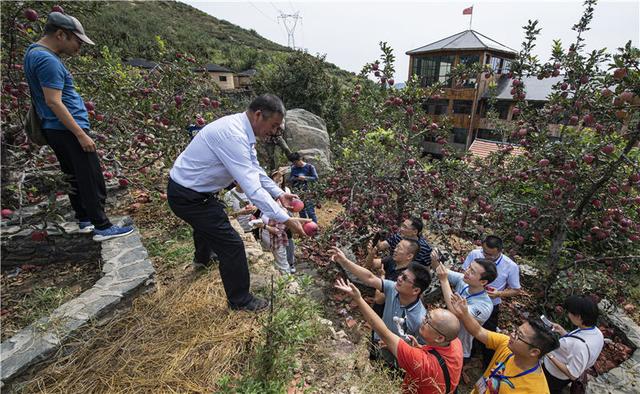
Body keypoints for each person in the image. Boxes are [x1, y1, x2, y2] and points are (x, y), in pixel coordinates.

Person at [167, 94, 306, 312]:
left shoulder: (242, 132)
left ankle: (202, 259)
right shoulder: (233, 135)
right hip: (187, 195)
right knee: (232, 245)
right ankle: (240, 300)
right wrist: (285, 218)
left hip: (194, 192)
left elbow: (255, 170)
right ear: (259, 115)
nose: (275, 131)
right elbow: (252, 187)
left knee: (208, 223)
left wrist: (279, 193)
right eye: (274, 125)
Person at [23, 12, 133, 241]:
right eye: (77, 41)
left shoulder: (34, 53)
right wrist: (80, 134)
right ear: (61, 34)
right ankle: (102, 226)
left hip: (56, 129)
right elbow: (54, 101)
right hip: (66, 129)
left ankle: (85, 220)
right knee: (90, 177)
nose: (79, 48)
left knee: (73, 175)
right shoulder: (47, 60)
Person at [334, 278, 463, 394]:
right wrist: (420, 348)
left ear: (440, 338)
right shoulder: (455, 342)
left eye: (428, 321)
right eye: (428, 314)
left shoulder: (422, 363)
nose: (423, 319)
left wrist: (358, 299)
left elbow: (383, 332)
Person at [329, 247, 430, 366]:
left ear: (416, 290)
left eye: (405, 278)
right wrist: (345, 261)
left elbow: (422, 350)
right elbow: (370, 277)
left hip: (395, 359)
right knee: (371, 362)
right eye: (401, 275)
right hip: (377, 339)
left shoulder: (419, 319)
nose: (399, 278)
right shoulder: (393, 288)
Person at [449, 293, 559, 394]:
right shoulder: (507, 345)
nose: (511, 335)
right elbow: (478, 331)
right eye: (516, 331)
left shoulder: (536, 390)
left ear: (534, 352)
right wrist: (464, 314)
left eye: (519, 336)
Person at [463, 235, 523, 367]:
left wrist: (499, 294)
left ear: (500, 251)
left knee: (488, 336)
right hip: (469, 300)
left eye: (490, 255)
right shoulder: (475, 254)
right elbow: (463, 273)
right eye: (484, 252)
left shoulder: (510, 266)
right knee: (466, 329)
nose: (486, 257)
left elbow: (516, 290)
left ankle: (487, 364)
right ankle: (468, 357)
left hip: (491, 305)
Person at [432, 252, 496, 359]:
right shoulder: (464, 281)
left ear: (483, 281)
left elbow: (455, 311)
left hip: (458, 348)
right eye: (469, 268)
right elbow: (440, 270)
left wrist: (444, 280)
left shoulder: (484, 305)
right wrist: (435, 260)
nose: (467, 272)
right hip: (440, 337)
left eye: (472, 272)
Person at [542, 295, 604, 394]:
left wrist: (549, 355)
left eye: (570, 312)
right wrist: (561, 331)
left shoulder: (579, 346)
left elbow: (573, 374)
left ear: (579, 317)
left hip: (554, 375)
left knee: (545, 389)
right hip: (562, 376)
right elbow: (574, 344)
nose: (568, 315)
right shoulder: (596, 333)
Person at [288, 152, 318, 223]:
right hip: (298, 193)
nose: (295, 164)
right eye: (293, 163)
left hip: (308, 192)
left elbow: (315, 178)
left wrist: (305, 178)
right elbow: (290, 179)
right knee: (301, 211)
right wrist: (296, 179)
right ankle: (305, 228)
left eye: (296, 162)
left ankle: (314, 227)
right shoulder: (293, 168)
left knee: (310, 211)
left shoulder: (310, 167)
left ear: (300, 159)